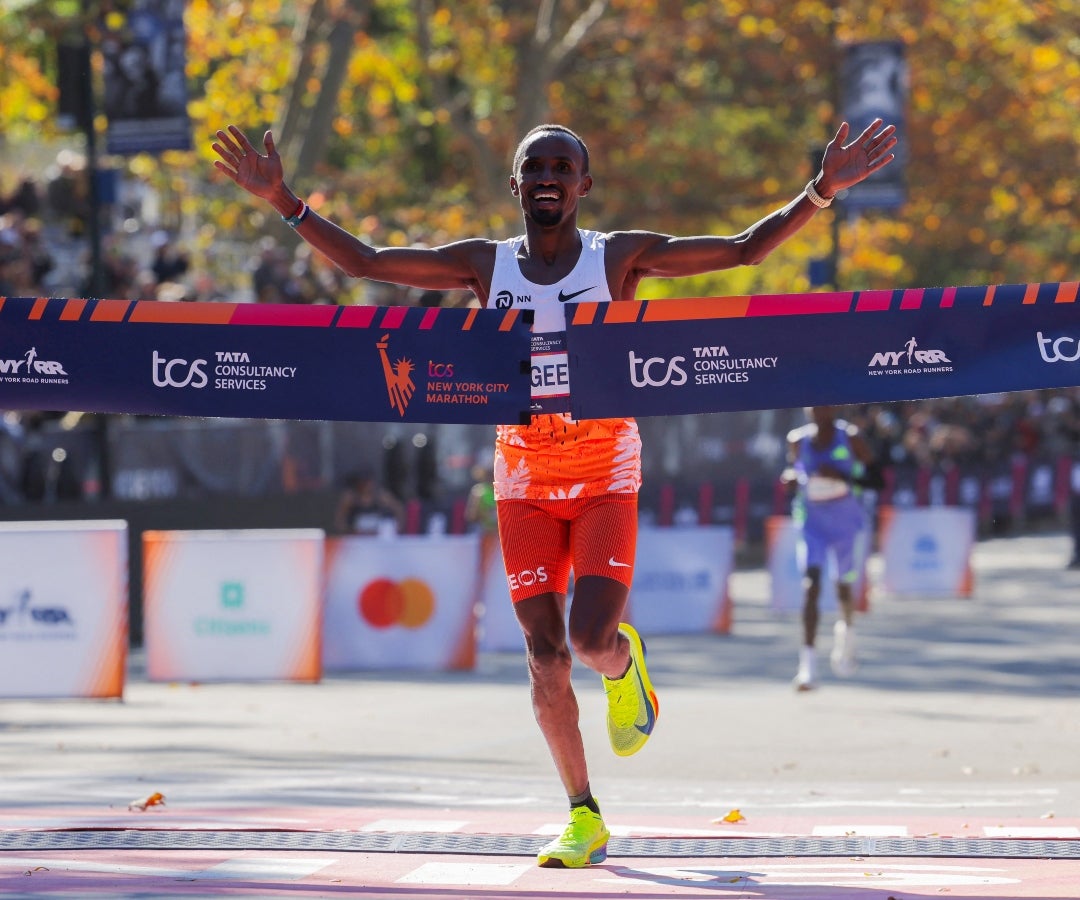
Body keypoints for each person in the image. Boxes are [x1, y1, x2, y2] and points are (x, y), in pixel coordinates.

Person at [212, 116, 897, 867]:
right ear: (515, 184)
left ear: (583, 185)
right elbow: (372, 263)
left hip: (605, 468)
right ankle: (583, 813)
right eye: (533, 167)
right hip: (523, 477)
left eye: (561, 167)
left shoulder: (620, 257)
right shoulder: (484, 265)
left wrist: (822, 190)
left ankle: (622, 665)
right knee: (544, 655)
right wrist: (285, 201)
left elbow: (739, 250)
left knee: (590, 640)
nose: (547, 177)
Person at [781, 406, 883, 691]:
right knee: (810, 586)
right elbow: (794, 470)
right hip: (811, 522)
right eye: (812, 406)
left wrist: (842, 478)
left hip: (845, 524)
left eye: (823, 405)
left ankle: (847, 637)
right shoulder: (797, 440)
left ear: (834, 408)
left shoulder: (851, 438)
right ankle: (807, 667)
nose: (818, 411)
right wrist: (790, 479)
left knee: (842, 587)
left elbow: (877, 480)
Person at [334, 468, 405, 537]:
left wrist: (397, 529)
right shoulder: (350, 498)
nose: (366, 485)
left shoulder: (381, 496)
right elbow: (339, 521)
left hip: (376, 537)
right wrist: (348, 531)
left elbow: (399, 509)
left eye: (368, 482)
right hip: (356, 537)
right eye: (363, 482)